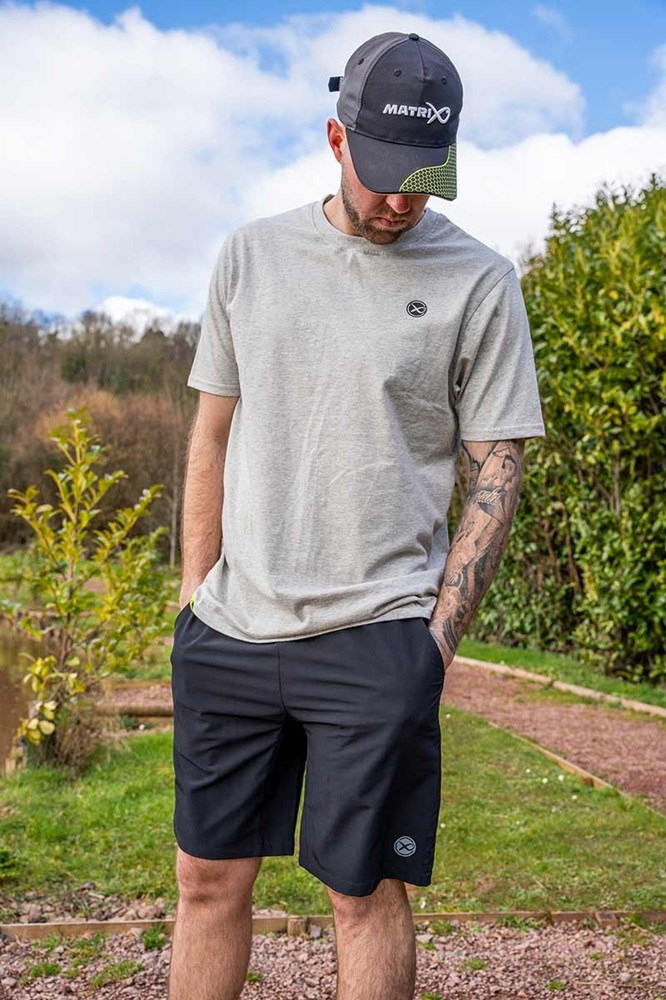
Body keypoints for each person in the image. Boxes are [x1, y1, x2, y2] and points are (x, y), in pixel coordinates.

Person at [167, 29, 546, 1000]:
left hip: (380, 635)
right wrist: (193, 599)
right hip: (232, 630)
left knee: (363, 894)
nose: (402, 201)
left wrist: (434, 648)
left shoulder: (480, 282)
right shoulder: (250, 257)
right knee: (206, 882)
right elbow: (212, 432)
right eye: (384, 174)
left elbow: (497, 474)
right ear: (336, 138)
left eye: (425, 177)